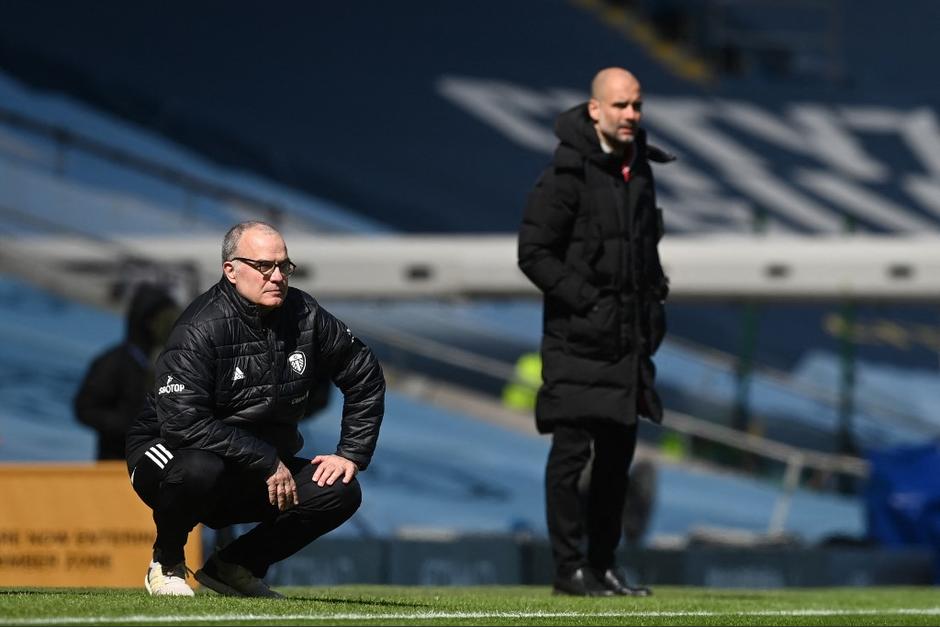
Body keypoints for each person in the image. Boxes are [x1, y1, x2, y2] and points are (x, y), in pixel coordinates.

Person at [125, 221, 385, 597]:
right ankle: (166, 563)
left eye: (283, 265)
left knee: (339, 491)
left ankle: (235, 567)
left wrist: (351, 454)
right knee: (199, 468)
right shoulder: (199, 327)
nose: (277, 276)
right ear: (231, 270)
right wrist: (266, 459)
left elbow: (364, 372)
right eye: (264, 266)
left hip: (256, 466)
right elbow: (183, 423)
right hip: (168, 450)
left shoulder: (305, 314)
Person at [517, 67, 671, 597]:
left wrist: (655, 301)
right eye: (621, 105)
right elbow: (533, 253)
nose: (631, 114)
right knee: (570, 457)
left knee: (616, 462)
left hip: (628, 344)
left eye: (637, 105)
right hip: (579, 342)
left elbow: (645, 248)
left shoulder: (640, 169)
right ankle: (569, 569)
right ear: (595, 109)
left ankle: (604, 565)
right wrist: (589, 303)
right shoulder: (566, 174)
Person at [74, 283, 179, 460]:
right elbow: (85, 409)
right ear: (149, 322)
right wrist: (128, 425)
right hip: (114, 463)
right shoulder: (113, 362)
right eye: (166, 319)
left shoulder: (166, 363)